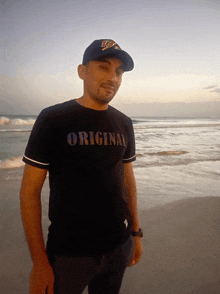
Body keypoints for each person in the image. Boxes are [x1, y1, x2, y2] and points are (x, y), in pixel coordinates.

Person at [20, 39, 143, 294]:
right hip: (68, 256)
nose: (113, 77)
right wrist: (39, 263)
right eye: (103, 67)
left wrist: (135, 234)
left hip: (118, 247)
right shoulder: (53, 119)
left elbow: (127, 180)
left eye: (119, 72)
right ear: (82, 71)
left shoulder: (124, 123)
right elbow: (29, 192)